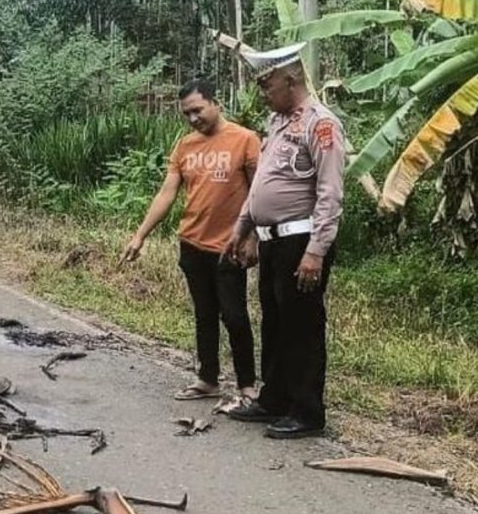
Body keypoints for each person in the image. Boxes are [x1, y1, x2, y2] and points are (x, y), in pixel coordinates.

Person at [224, 43, 345, 439]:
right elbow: (261, 185)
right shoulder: (277, 124)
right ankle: (274, 398)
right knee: (275, 322)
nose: (262, 91)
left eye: (266, 83)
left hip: (301, 241)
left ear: (290, 79)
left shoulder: (321, 124)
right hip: (272, 240)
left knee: (302, 326)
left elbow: (330, 194)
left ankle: (307, 411)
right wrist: (243, 229)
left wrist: (315, 252)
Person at [121, 77, 260, 401]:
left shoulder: (245, 139)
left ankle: (247, 386)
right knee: (204, 313)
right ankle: (207, 379)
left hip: (230, 244)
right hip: (192, 243)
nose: (193, 118)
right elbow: (167, 192)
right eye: (187, 114)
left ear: (215, 103)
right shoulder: (185, 146)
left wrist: (253, 237)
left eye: (197, 110)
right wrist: (140, 235)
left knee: (235, 315)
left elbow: (258, 193)